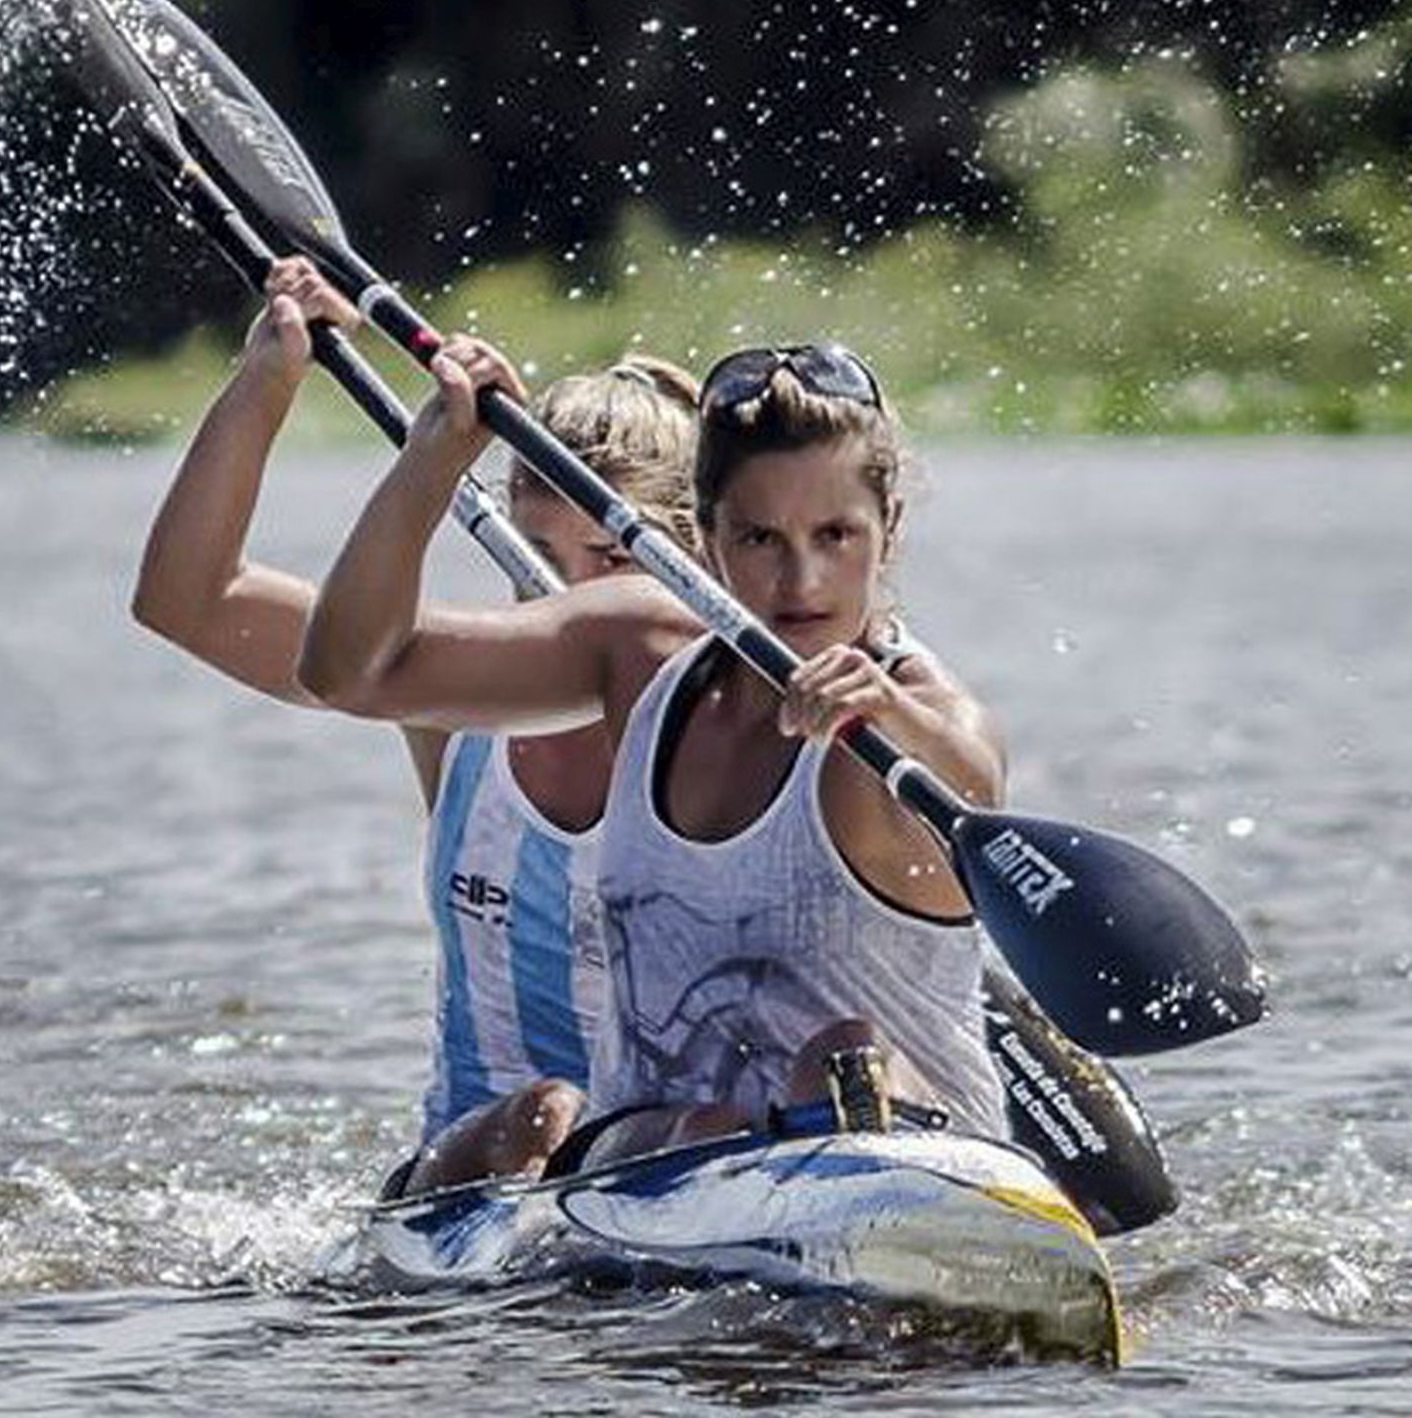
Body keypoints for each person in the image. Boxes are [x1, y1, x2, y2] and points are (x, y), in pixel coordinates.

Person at [299, 335, 1010, 1170]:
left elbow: (975, 779)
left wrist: (891, 717)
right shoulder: (639, 651)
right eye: (759, 539)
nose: (802, 581)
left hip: (901, 1152)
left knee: (842, 1052)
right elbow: (347, 672)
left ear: (889, 530)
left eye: (836, 535)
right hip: (660, 1159)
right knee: (604, 1122)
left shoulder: (916, 711)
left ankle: (843, 1153)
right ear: (701, 537)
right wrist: (433, 462)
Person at [131, 258, 700, 1191]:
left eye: (609, 559)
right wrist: (269, 379)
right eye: (538, 550)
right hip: (468, 1177)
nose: (567, 592)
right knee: (547, 1111)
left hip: (670, 1162)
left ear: (697, 559)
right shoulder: (445, 692)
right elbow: (186, 600)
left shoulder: (727, 719)